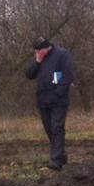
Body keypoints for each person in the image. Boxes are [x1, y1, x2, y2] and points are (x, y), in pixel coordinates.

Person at [25, 36, 76, 171]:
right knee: (50, 130)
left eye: (39, 51)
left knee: (57, 128)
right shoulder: (39, 58)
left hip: (58, 100)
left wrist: (58, 92)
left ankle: (56, 161)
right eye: (36, 51)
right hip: (43, 100)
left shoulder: (62, 54)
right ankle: (61, 156)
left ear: (46, 47)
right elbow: (29, 75)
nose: (38, 53)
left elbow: (68, 74)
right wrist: (37, 61)